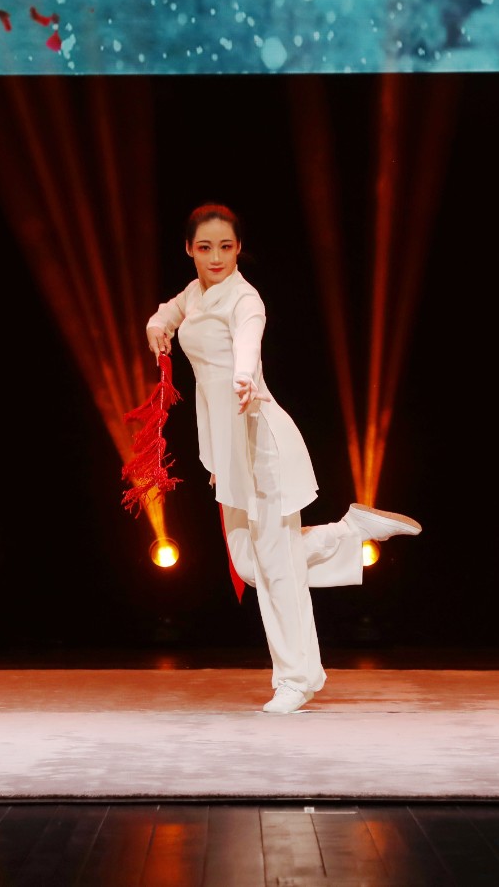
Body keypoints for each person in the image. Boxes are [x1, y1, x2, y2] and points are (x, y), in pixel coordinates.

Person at [146, 203, 420, 713]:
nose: (216, 257)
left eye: (226, 247)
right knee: (252, 564)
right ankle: (348, 531)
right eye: (205, 247)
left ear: (238, 249)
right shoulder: (197, 294)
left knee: (276, 566)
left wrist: (243, 375)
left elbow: (248, 343)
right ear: (189, 249)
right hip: (226, 450)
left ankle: (297, 679)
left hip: (260, 443)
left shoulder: (244, 299)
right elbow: (170, 310)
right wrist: (155, 323)